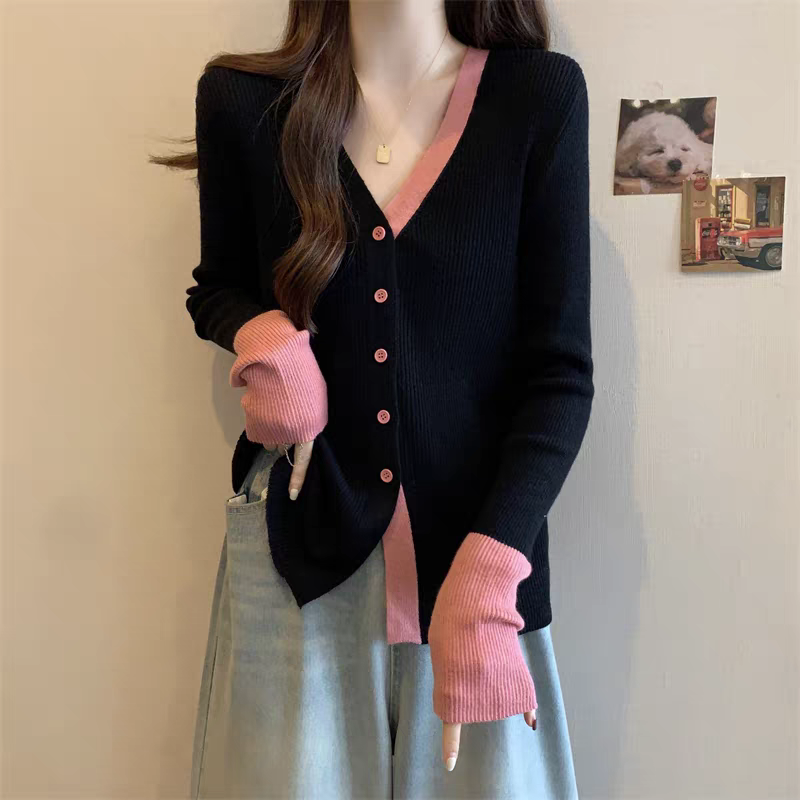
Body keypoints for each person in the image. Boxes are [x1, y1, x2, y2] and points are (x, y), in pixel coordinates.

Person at [153, 1, 593, 796]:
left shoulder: (537, 98)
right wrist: (263, 336)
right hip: (300, 545)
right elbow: (216, 286)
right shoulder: (244, 103)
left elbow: (559, 373)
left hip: (481, 564)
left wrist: (493, 567)